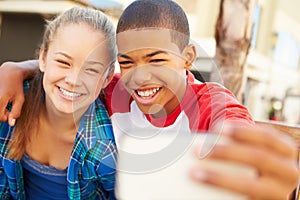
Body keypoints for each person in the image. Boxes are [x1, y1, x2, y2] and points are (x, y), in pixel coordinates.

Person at [0, 0, 298, 199]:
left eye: (156, 60)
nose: (140, 77)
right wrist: (15, 69)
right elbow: (71, 72)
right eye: (127, 62)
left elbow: (236, 127)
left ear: (188, 58)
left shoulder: (210, 103)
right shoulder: (115, 90)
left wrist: (261, 169)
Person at [0, 7, 118, 199]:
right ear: (43, 57)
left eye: (91, 70)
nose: (73, 79)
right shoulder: (8, 104)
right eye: (64, 62)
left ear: (107, 78)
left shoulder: (105, 150)